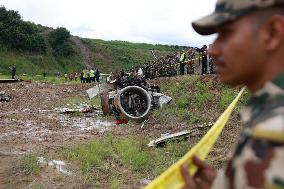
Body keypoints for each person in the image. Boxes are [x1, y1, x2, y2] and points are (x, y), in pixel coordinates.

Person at [180, 0, 284, 189]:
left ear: (273, 33)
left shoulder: (275, 134)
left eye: (226, 33)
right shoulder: (268, 114)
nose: (212, 49)